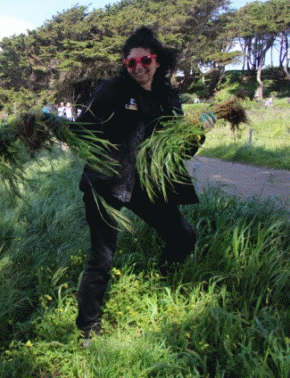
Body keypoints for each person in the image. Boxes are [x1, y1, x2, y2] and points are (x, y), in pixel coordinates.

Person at [73, 26, 209, 345]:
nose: (138, 68)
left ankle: (162, 279)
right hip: (107, 182)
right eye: (130, 63)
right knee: (102, 257)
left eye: (144, 60)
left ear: (157, 61)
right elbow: (82, 132)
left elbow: (181, 149)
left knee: (183, 236)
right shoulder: (111, 90)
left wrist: (198, 134)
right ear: (125, 65)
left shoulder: (169, 98)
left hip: (147, 184)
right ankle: (87, 330)